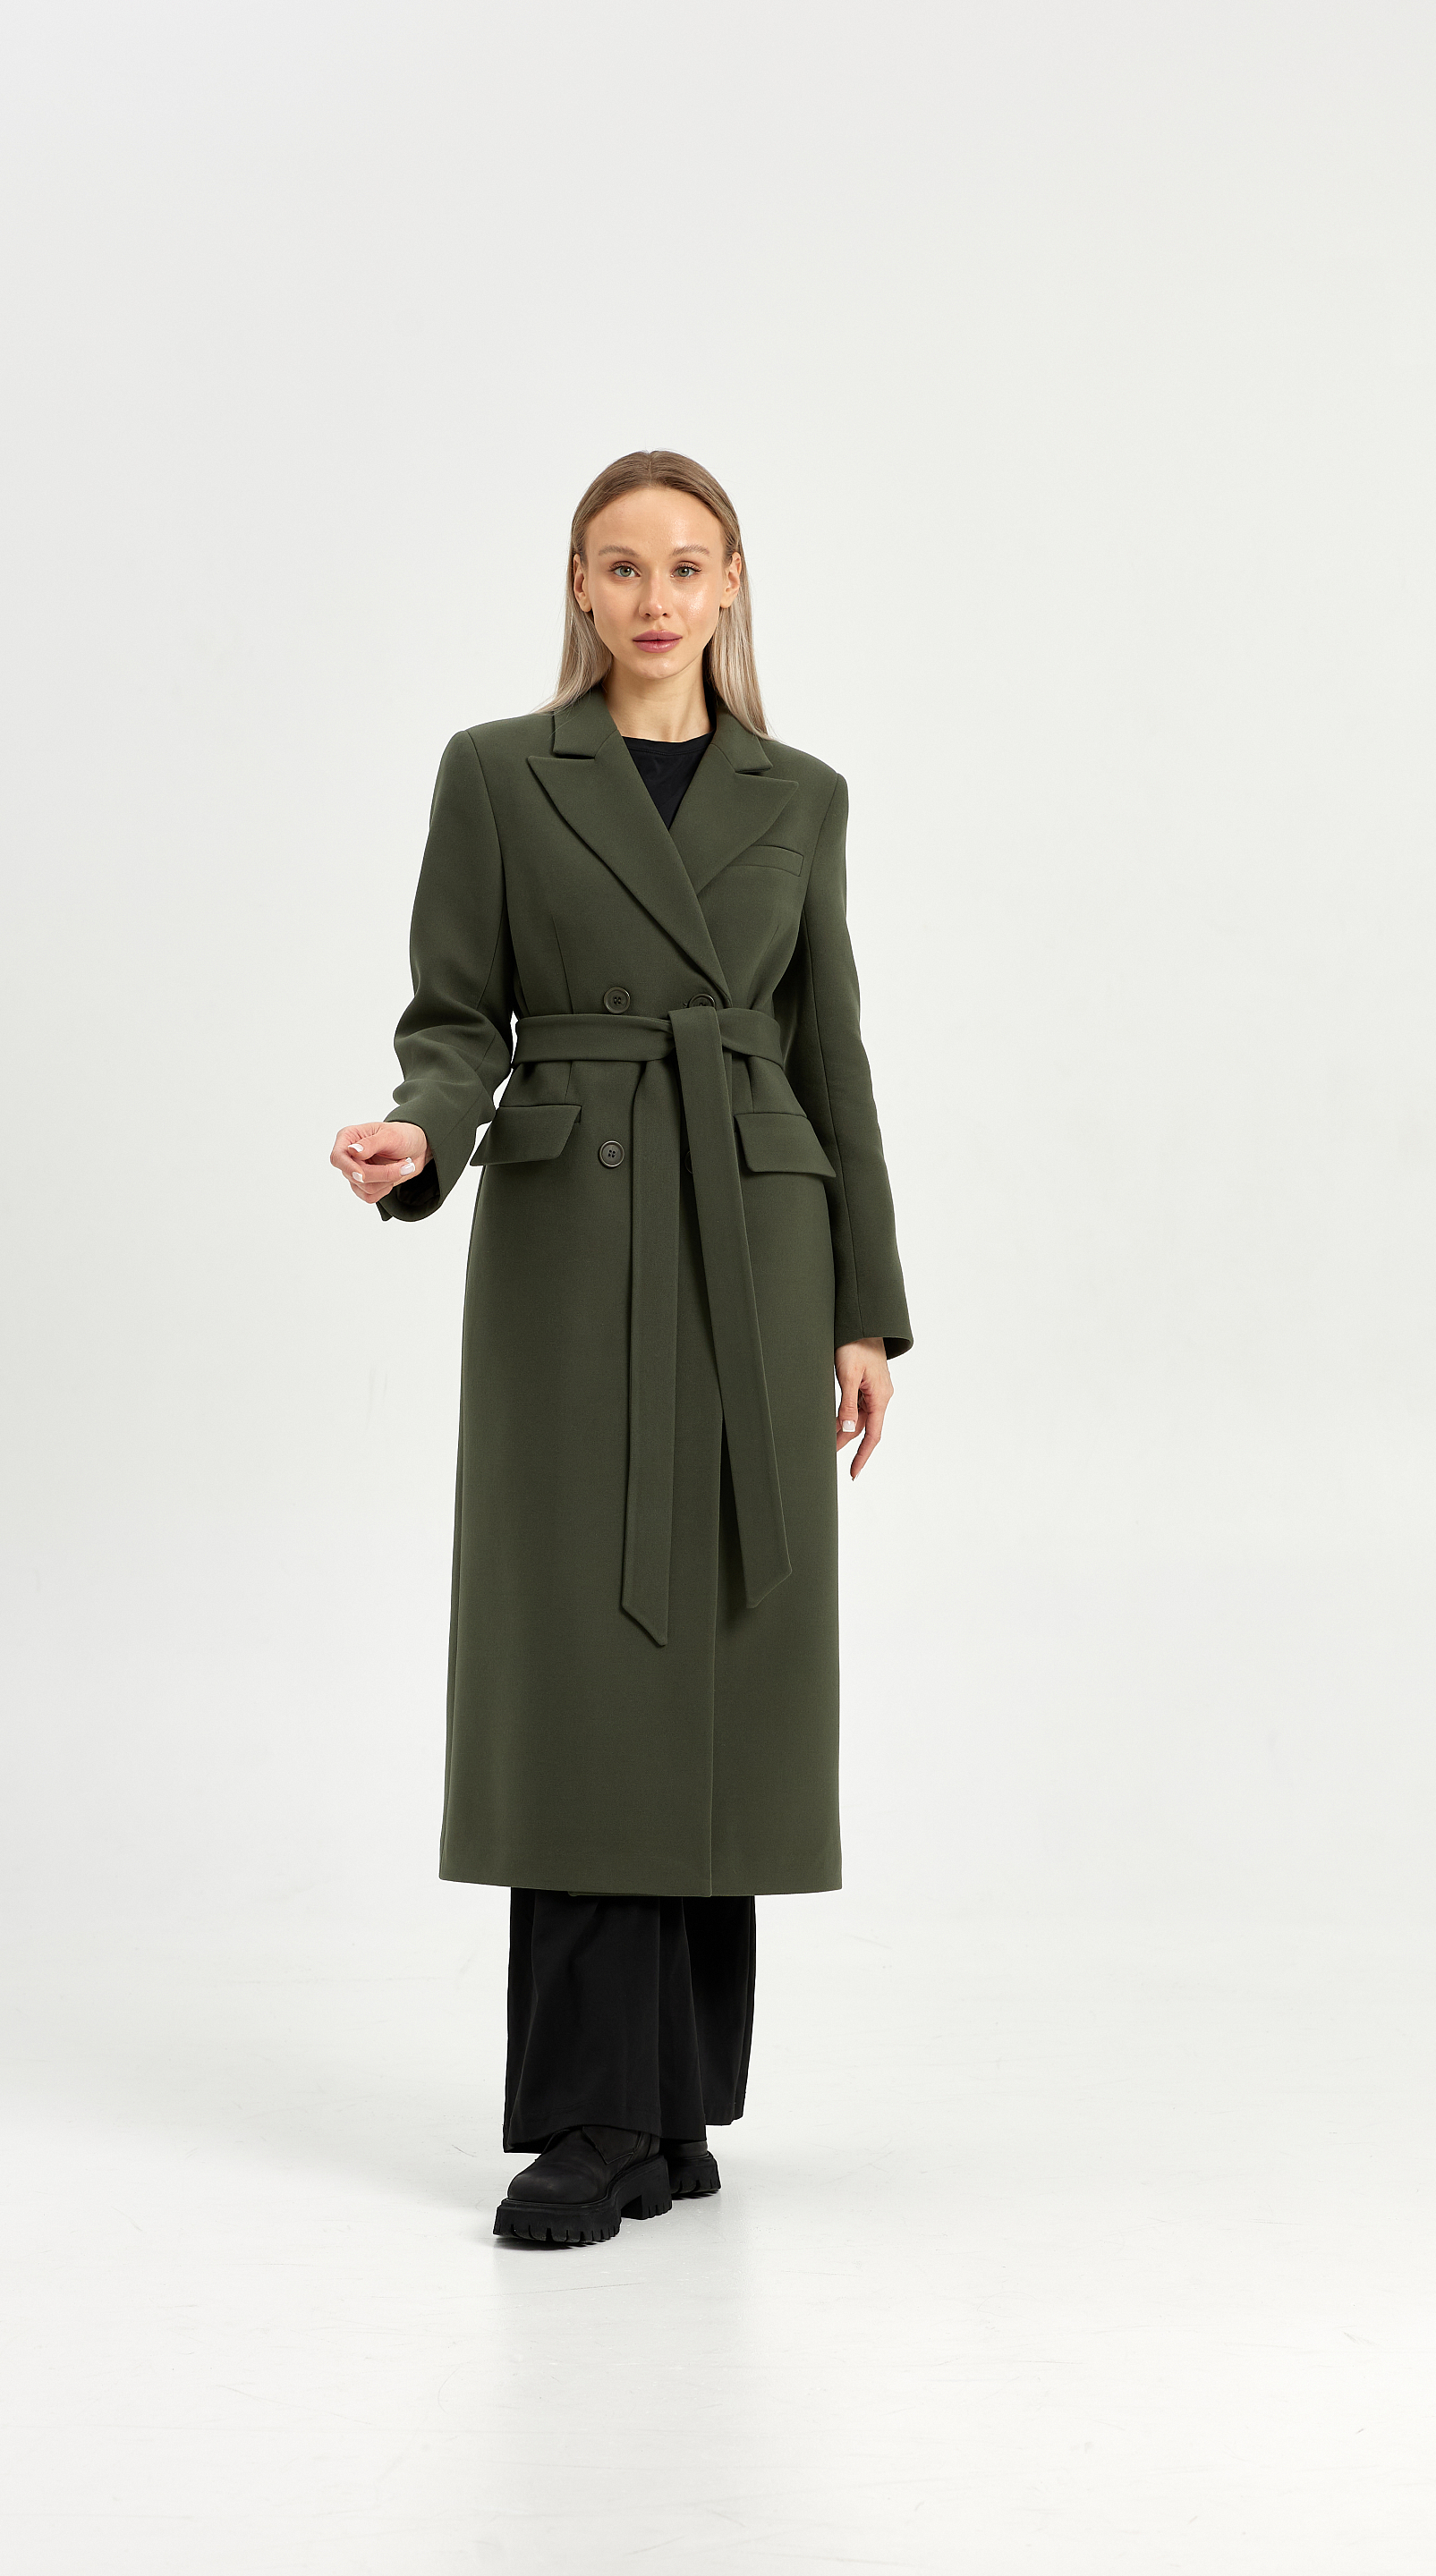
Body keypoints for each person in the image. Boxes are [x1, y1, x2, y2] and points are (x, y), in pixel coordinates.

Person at [331, 450, 911, 2247]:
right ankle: (593, 2114)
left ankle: (671, 2111)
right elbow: (456, 1015)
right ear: (579, 589)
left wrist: (864, 1306)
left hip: (755, 1233)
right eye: (620, 565)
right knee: (585, 1656)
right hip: (573, 1245)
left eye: (687, 564)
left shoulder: (802, 797)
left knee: (720, 1643)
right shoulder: (499, 773)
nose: (656, 597)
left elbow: (830, 1052)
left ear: (731, 586)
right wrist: (423, 1131)